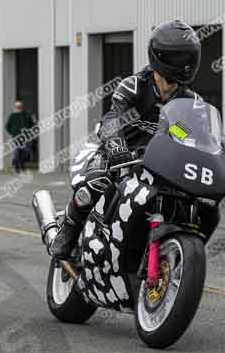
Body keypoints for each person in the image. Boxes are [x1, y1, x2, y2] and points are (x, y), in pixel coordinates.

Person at [46, 19, 202, 259]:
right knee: (96, 181)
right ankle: (68, 230)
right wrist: (117, 148)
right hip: (119, 152)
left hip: (157, 161)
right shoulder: (134, 86)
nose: (170, 88)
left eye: (176, 83)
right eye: (168, 81)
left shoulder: (188, 101)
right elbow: (112, 120)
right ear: (158, 64)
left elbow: (188, 133)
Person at [6, 101, 36, 173]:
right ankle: (17, 166)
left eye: (20, 106)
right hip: (16, 137)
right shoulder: (13, 116)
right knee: (17, 151)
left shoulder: (26, 115)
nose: (19, 108)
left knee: (25, 152)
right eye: (18, 106)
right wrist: (13, 132)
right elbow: (7, 126)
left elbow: (32, 124)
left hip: (25, 136)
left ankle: (21, 165)